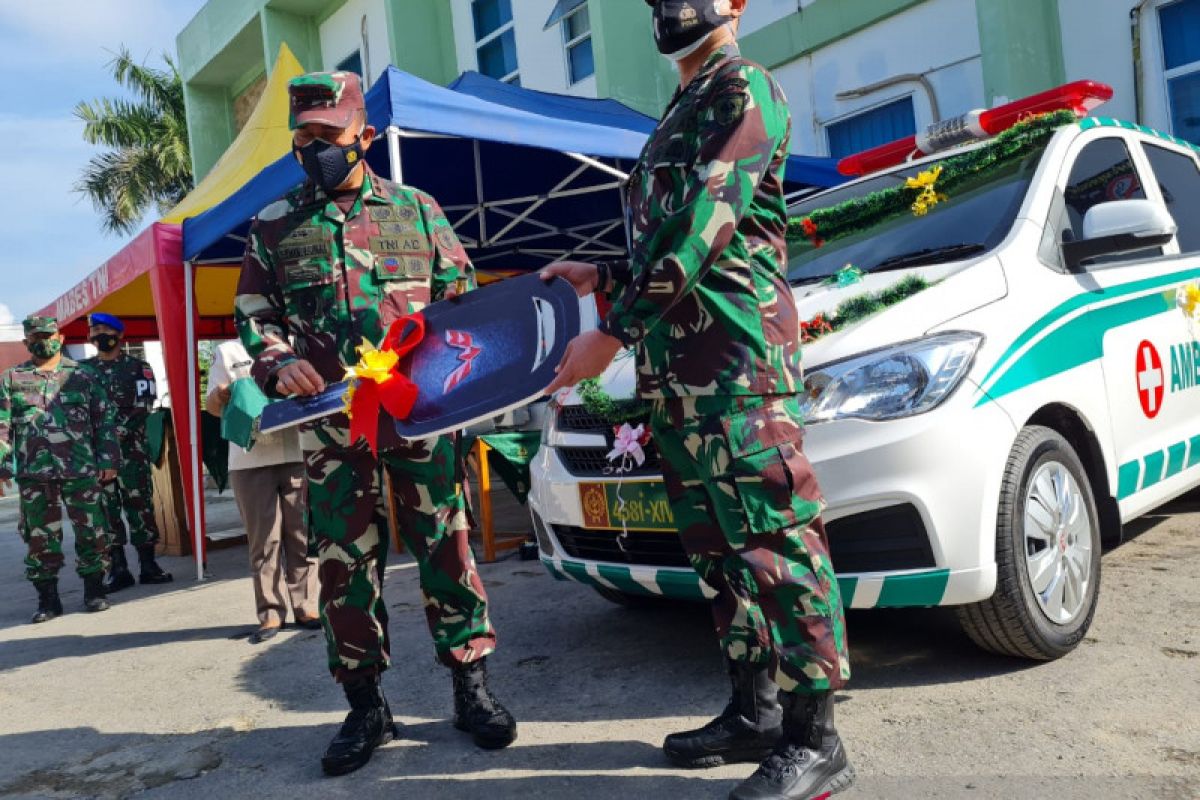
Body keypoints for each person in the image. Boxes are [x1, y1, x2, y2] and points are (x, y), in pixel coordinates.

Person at [543, 2, 854, 798]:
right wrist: (605, 275)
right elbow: (674, 245)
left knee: (778, 545)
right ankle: (752, 710)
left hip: (737, 372)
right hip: (679, 382)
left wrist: (609, 332)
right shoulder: (678, 113)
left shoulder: (742, 89)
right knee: (720, 557)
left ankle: (817, 739)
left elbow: (700, 228)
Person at [235, 71, 516, 777]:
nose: (316, 150)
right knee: (343, 569)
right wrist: (276, 362)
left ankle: (471, 688)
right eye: (303, 139)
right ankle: (366, 706)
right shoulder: (273, 225)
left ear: (365, 134)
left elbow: (458, 301)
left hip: (420, 419)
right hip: (334, 430)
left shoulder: (417, 211)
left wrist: (460, 382)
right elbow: (253, 317)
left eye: (329, 136)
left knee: (447, 551)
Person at [0, 316, 120, 622]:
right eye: (36, 336)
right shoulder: (11, 379)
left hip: (80, 469)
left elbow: (103, 420)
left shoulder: (83, 375)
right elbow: (1, 430)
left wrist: (108, 460)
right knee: (39, 538)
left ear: (61, 337)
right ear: (26, 342)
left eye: (48, 334)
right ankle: (48, 600)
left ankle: (95, 591)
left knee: (92, 531)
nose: (43, 340)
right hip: (34, 475)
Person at [206, 338, 320, 644]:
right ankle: (270, 611)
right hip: (249, 458)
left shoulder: (297, 342)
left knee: (301, 535)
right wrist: (224, 394)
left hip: (296, 451)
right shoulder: (228, 351)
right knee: (264, 540)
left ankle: (306, 606)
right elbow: (212, 407)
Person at [82, 312, 173, 590]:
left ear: (120, 335)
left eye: (105, 330)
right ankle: (118, 569)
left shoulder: (138, 367)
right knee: (107, 510)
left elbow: (144, 404)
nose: (100, 335)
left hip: (132, 451)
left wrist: (115, 433)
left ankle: (148, 565)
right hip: (98, 457)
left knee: (140, 507)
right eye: (95, 330)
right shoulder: (82, 371)